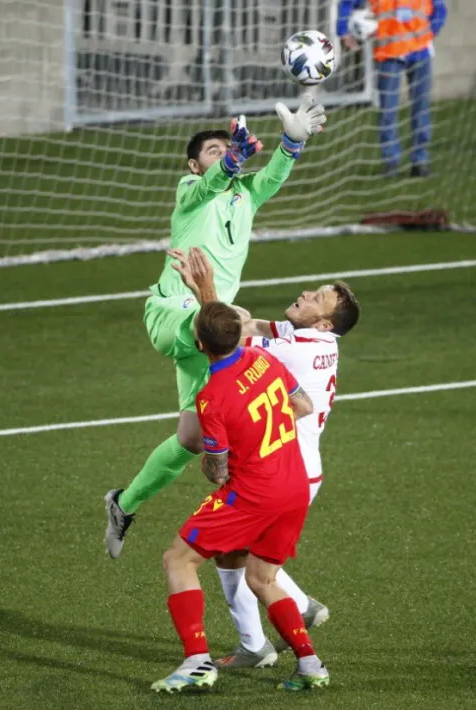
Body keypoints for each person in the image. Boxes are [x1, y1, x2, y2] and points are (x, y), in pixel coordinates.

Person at [103, 95, 328, 559]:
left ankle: (123, 505)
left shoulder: (245, 193)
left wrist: (291, 142)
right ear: (194, 164)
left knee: (189, 438)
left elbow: (272, 177)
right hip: (173, 314)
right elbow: (208, 187)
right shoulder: (189, 192)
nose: (227, 154)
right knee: (236, 325)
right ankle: (267, 345)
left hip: (208, 331)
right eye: (215, 151)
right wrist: (228, 163)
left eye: (232, 147)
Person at [168, 246, 361, 668]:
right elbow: (245, 322)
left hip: (278, 471)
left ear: (326, 321)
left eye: (318, 298)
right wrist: (216, 298)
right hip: (296, 470)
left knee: (231, 561)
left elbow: (225, 338)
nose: (307, 293)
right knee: (237, 556)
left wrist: (206, 289)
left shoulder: (296, 351)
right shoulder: (313, 337)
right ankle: (289, 622)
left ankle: (259, 641)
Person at [152, 302, 330, 693]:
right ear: (237, 335)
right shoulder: (260, 358)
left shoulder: (212, 396)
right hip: (294, 485)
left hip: (254, 494)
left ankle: (197, 660)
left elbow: (216, 470)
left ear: (200, 345)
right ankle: (309, 663)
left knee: (178, 560)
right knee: (262, 578)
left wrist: (228, 451)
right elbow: (302, 405)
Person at [336, 0, 449, 177]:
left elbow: (440, 9)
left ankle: (420, 162)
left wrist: (429, 34)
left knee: (421, 109)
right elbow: (347, 3)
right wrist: (343, 31)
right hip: (388, 53)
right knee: (388, 111)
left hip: (420, 52)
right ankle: (391, 163)